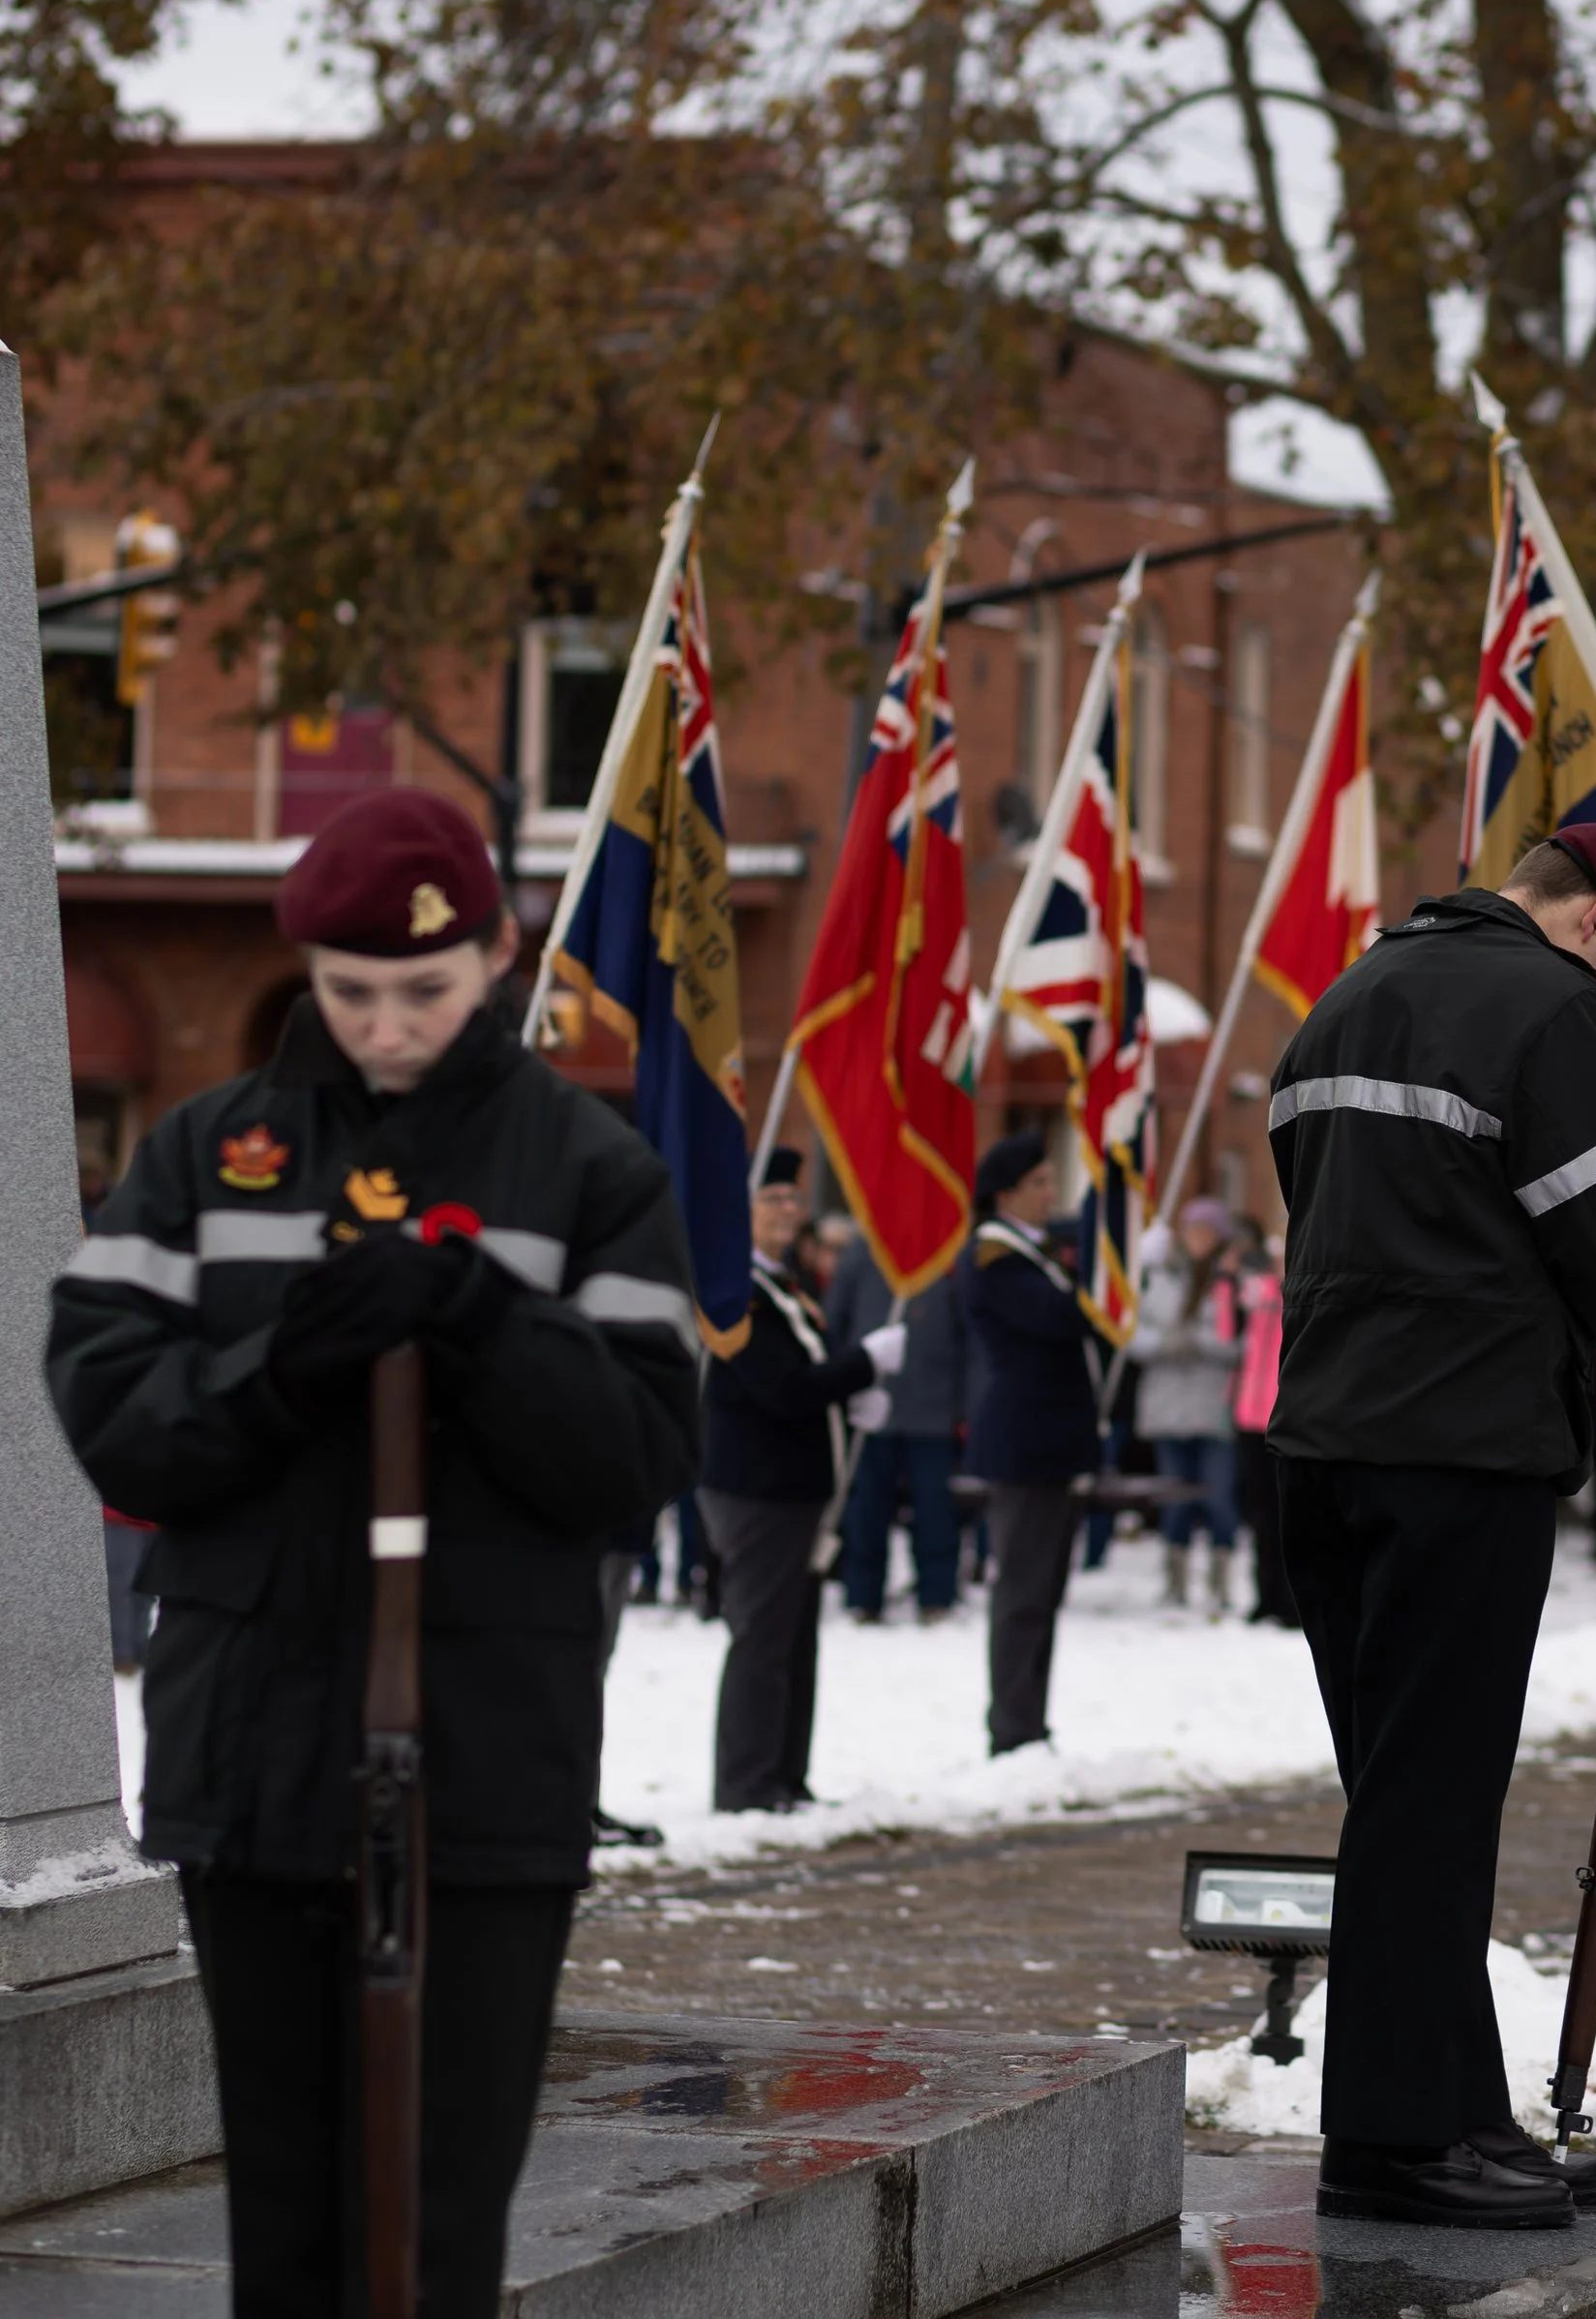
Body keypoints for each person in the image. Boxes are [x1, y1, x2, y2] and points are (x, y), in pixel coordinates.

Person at [45, 786, 702, 2318]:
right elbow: (116, 1421)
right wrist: (274, 1367)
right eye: (350, 993)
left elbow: (633, 1457)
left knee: (431, 2230)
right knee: (288, 2225)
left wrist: (489, 1324)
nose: (388, 1026)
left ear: (496, 951)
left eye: (425, 989)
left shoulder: (586, 1168)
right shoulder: (215, 1155)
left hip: (483, 1758)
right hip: (253, 1749)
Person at [1268, 824, 1596, 2230]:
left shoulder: (1348, 992)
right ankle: (1394, 2139)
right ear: (1592, 928)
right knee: (1433, 1799)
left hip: (1327, 1440)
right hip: (1459, 1444)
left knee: (1405, 1795)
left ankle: (1449, 2107)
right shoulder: (1547, 1004)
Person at [697, 1150, 902, 1811]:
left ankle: (786, 1774)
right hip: (757, 1487)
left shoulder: (781, 1284)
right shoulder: (731, 1288)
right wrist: (861, 1367)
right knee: (762, 1636)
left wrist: (848, 1395)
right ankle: (747, 1783)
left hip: (797, 1487)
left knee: (793, 1635)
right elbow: (780, 1388)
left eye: (793, 1197)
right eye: (772, 1198)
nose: (789, 1209)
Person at [960, 1130, 1099, 1756]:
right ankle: (1013, 1727)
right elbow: (1058, 1317)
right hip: (1026, 1440)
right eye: (1041, 1182)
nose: (1051, 1193)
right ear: (1007, 1193)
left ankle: (1030, 1723)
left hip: (1052, 1438)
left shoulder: (1032, 1250)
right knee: (1022, 1593)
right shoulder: (996, 1255)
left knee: (1043, 1590)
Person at [825, 1221, 968, 1624]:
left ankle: (937, 1594)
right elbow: (835, 1323)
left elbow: (965, 1336)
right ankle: (864, 1595)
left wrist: (962, 1404)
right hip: (872, 1406)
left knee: (935, 1511)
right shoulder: (859, 1254)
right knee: (867, 1510)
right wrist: (842, 1385)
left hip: (933, 1408)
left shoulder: (944, 1253)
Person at [1131, 1194, 1246, 1611]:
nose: (1197, 1239)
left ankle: (1220, 1583)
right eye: (1192, 1230)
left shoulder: (1229, 1281)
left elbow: (1242, 1342)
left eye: (1206, 1231)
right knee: (1173, 1499)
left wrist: (1200, 1342)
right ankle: (1175, 1581)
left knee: (1218, 1498)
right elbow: (1130, 1333)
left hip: (1213, 1407)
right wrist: (1163, 1343)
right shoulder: (1157, 1276)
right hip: (1166, 1406)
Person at [1230, 1221, 1297, 1626]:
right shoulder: (1256, 1290)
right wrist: (1226, 1277)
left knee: (1285, 1514)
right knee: (1258, 1514)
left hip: (1283, 1416)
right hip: (1248, 1416)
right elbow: (1226, 1329)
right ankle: (1264, 1593)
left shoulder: (1292, 1295)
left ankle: (1289, 1597)